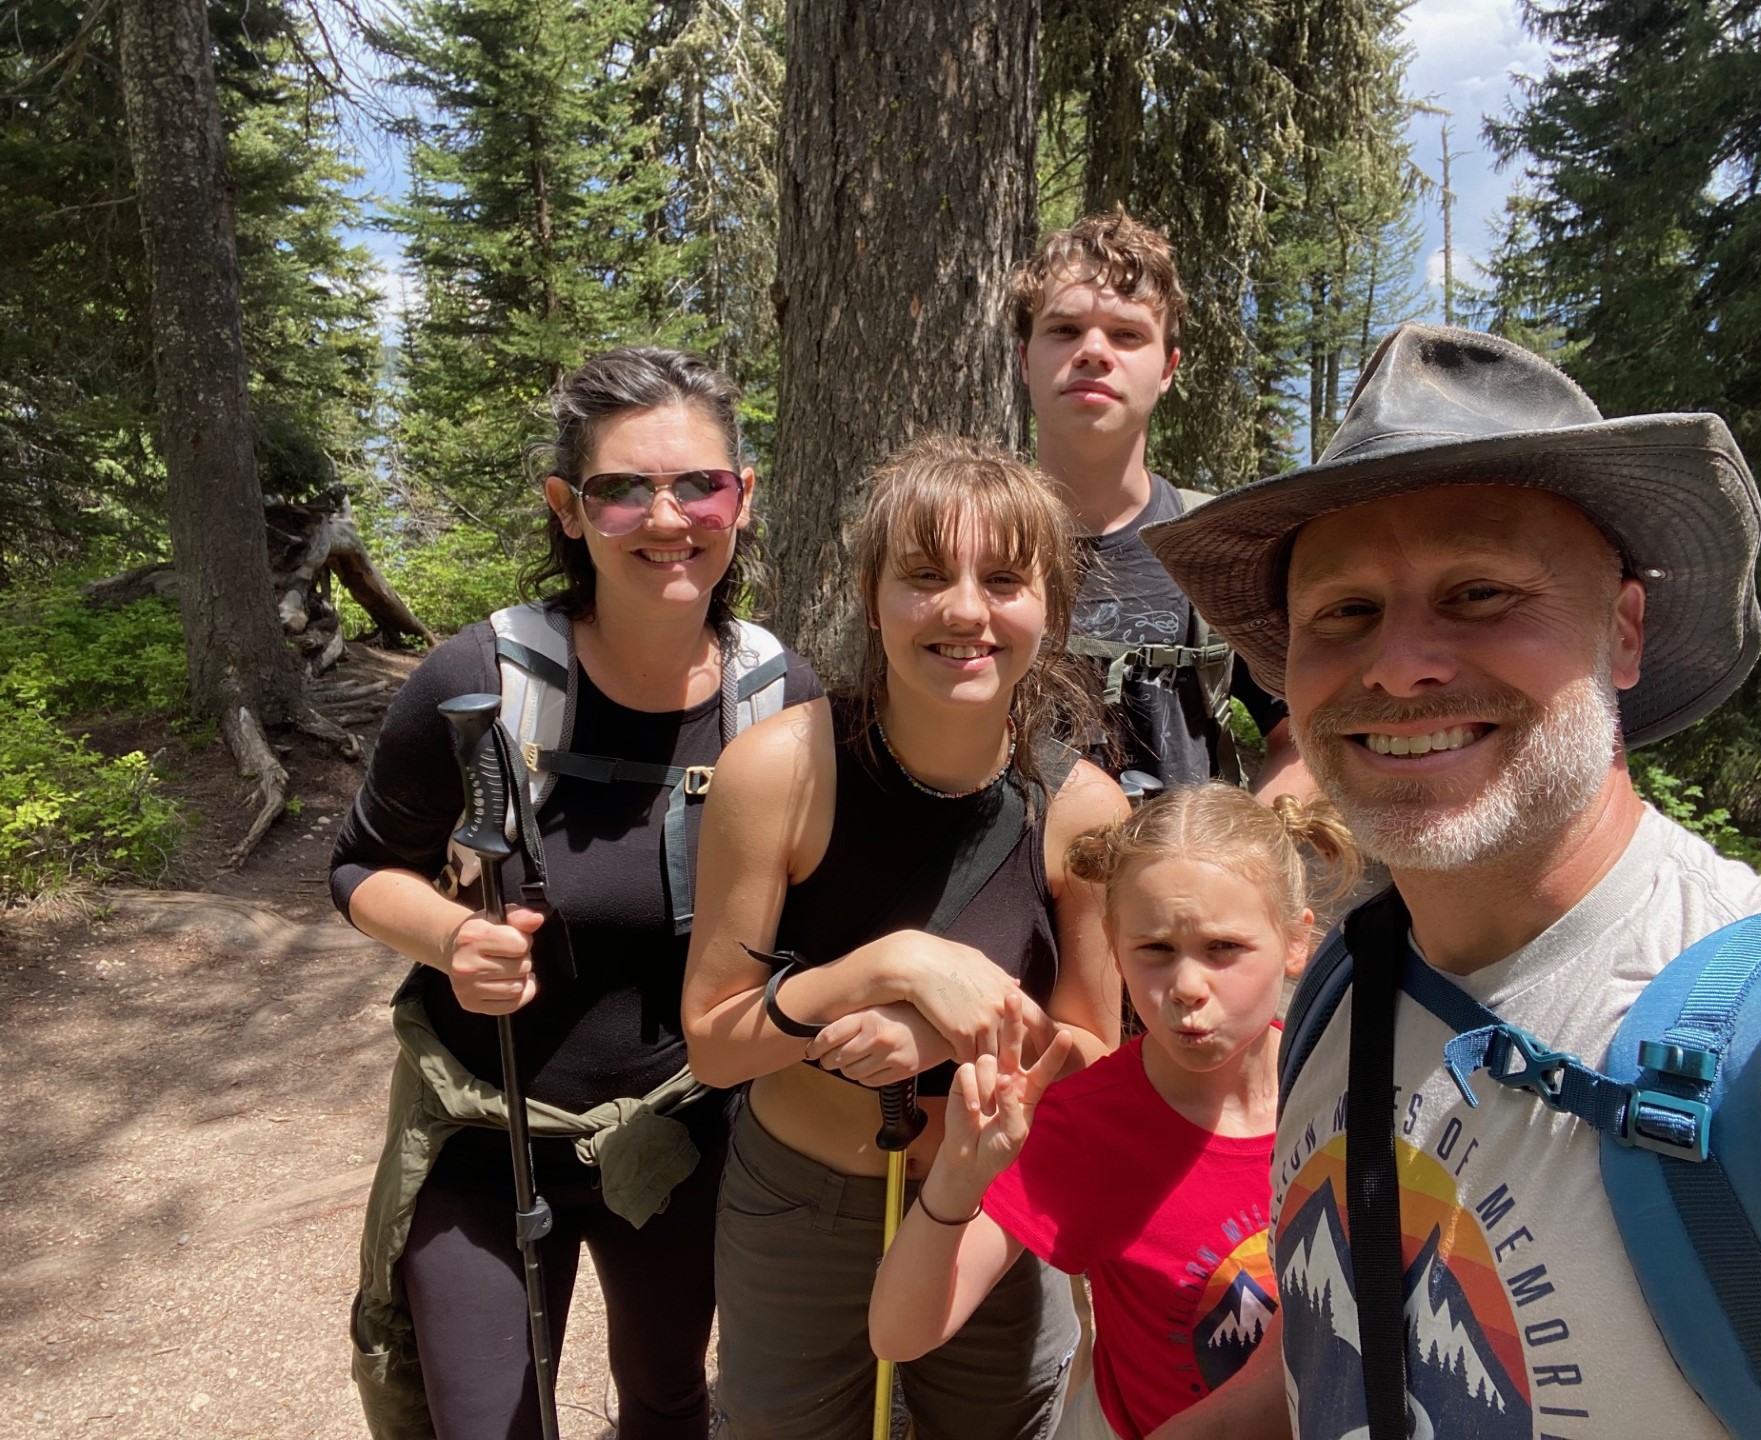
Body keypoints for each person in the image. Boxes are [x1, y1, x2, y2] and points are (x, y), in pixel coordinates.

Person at [1140, 324, 1761, 1438]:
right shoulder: (1338, 997)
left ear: (1624, 630)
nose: (1401, 661)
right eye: (1345, 612)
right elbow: (1314, 1369)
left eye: (1482, 593)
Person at [332, 346, 824, 1440]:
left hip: (681, 1135)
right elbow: (361, 868)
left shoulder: (780, 700)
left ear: (744, 497)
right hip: (482, 1131)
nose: (667, 517)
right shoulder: (477, 682)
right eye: (622, 489)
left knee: (665, 1399)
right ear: (568, 508)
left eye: (700, 482)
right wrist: (457, 938)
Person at [681, 433, 1131, 1440]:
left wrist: (942, 1039)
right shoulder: (778, 774)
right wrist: (889, 968)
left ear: (1049, 605)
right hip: (802, 1207)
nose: (966, 610)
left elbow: (1094, 1059)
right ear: (872, 594)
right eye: (925, 576)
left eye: (1005, 579)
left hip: (996, 1214)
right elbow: (712, 1040)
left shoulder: (1081, 810)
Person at [868, 783, 1356, 1440]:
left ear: (1298, 943)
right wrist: (958, 1178)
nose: (1186, 987)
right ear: (1112, 942)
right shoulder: (1090, 1125)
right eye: (1154, 950)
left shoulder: (1351, 1088)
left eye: (1223, 949)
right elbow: (899, 1333)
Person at [1008, 209, 1308, 799]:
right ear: (1024, 359)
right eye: (1064, 330)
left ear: (1168, 367)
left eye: (1127, 335)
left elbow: (1302, 738)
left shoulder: (1225, 549)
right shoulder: (967, 545)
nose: (1094, 351)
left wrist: (1244, 853)